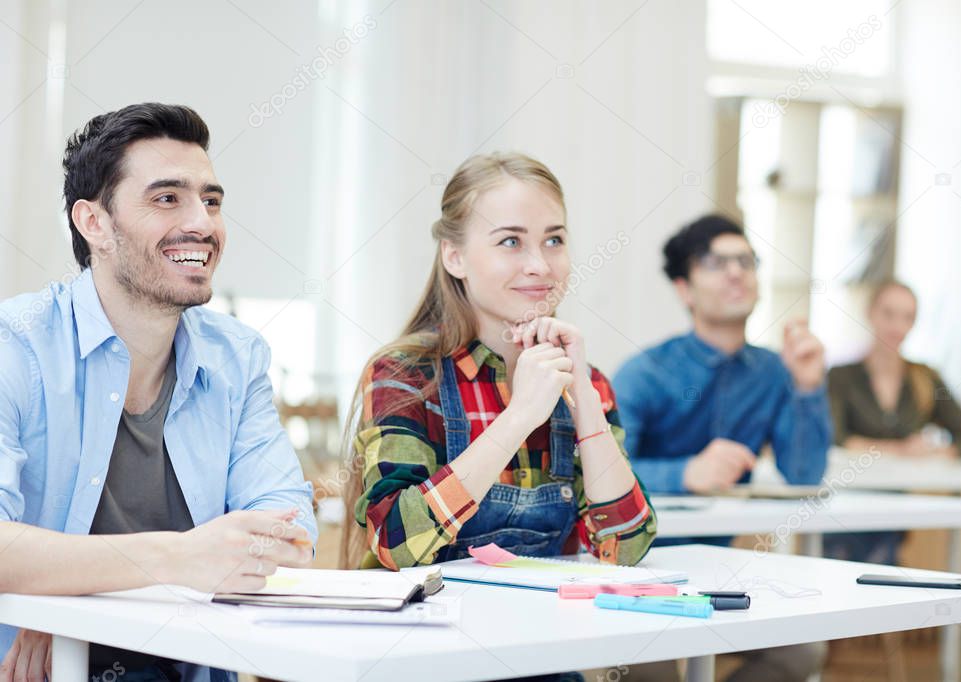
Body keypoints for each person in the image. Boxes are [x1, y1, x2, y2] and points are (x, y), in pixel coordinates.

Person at [0, 103, 315, 682]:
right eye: (167, 198)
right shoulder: (14, 346)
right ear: (93, 223)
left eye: (211, 200)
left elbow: (289, 528)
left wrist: (65, 584)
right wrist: (174, 560)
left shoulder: (237, 356)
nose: (203, 223)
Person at [340, 152, 656, 579]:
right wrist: (520, 415)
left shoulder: (587, 382)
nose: (540, 265)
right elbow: (396, 542)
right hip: (425, 638)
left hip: (538, 632)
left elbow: (626, 549)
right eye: (511, 241)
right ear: (454, 257)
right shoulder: (405, 375)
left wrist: (582, 393)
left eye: (554, 240)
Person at [613, 214, 830, 682]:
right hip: (641, 572)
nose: (736, 272)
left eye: (745, 261)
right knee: (649, 670)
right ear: (684, 289)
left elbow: (805, 475)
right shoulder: (644, 372)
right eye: (715, 263)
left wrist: (807, 388)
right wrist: (685, 473)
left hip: (723, 572)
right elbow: (598, 478)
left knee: (801, 654)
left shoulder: (775, 371)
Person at [824, 280, 961, 564]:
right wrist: (899, 450)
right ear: (871, 313)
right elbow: (834, 439)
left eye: (907, 317)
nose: (897, 326)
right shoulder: (841, 376)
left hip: (895, 515)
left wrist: (933, 453)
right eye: (888, 314)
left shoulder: (925, 378)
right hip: (844, 509)